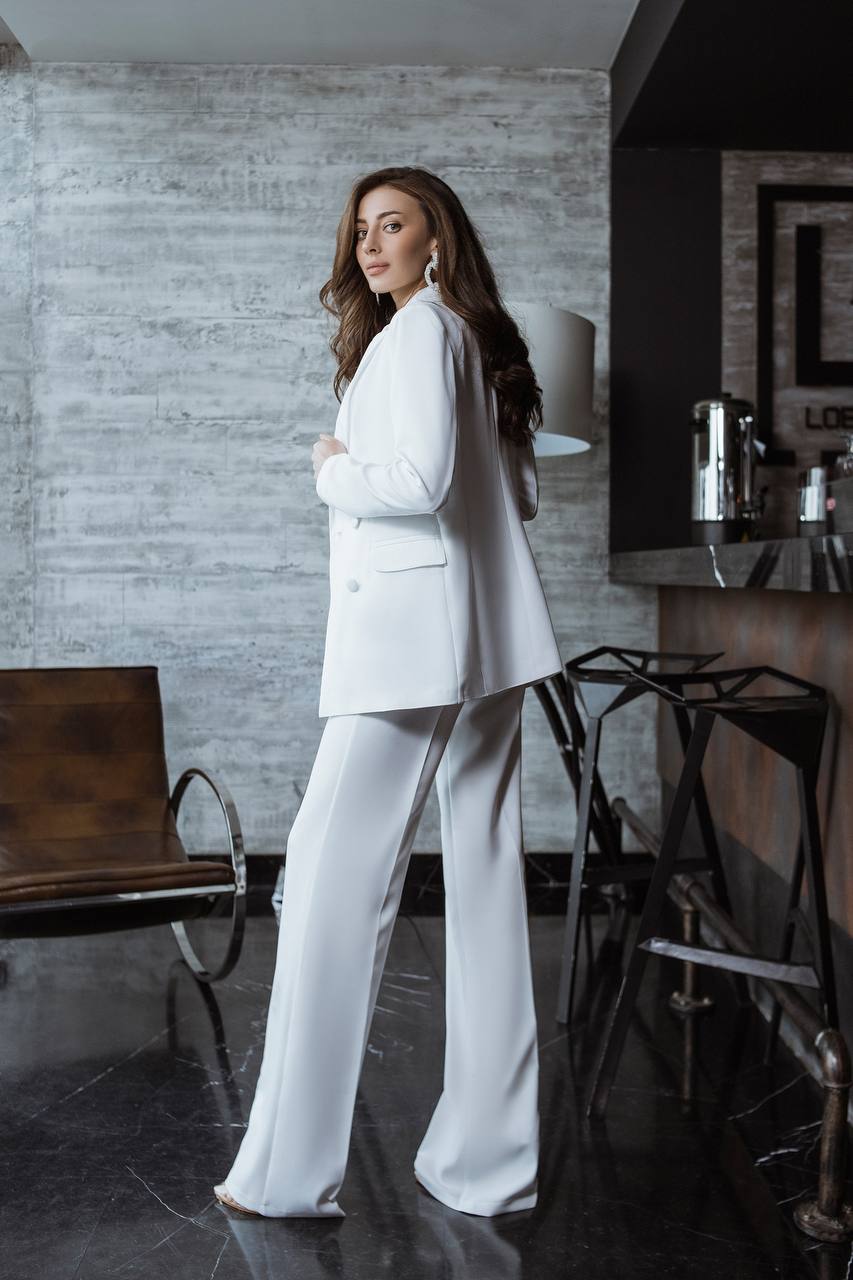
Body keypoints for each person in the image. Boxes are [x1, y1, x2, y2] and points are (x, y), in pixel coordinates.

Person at [214, 166, 563, 1219]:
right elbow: (522, 497)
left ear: (434, 239)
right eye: (361, 228)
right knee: (488, 886)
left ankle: (286, 1173)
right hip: (487, 645)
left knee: (327, 877)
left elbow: (413, 485)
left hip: (412, 646)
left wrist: (330, 464)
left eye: (392, 224)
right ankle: (486, 1164)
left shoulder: (418, 334)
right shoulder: (475, 340)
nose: (370, 244)